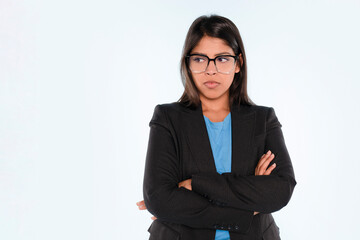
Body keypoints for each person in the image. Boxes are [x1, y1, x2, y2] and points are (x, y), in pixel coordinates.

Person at [136, 14, 296, 240]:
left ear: (238, 64)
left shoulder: (263, 119)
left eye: (222, 59)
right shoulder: (167, 118)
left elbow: (281, 190)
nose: (211, 70)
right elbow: (159, 199)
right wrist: (249, 205)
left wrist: (197, 184)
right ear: (188, 63)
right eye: (200, 59)